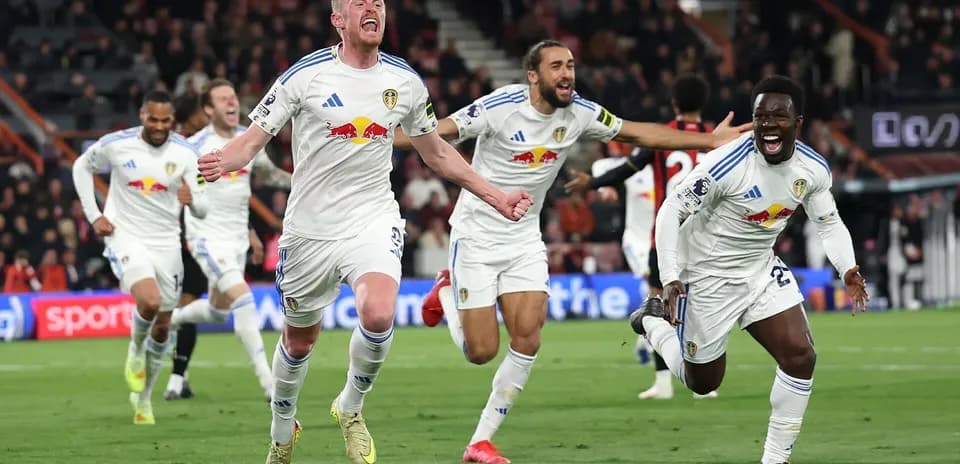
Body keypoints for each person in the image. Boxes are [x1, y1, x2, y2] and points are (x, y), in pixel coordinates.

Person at [196, 1, 533, 462]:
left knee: (377, 314)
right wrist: (226, 161)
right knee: (299, 342)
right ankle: (281, 432)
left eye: (378, 1)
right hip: (310, 230)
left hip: (372, 218)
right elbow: (253, 140)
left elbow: (436, 153)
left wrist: (495, 194)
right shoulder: (306, 75)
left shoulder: (404, 81)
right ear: (339, 20)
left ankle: (350, 408)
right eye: (360, 2)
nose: (373, 7)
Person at [403, 41, 749, 463]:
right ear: (533, 75)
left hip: (524, 238)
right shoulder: (500, 106)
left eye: (569, 65)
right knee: (481, 352)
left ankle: (480, 441)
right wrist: (378, 135)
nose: (566, 74)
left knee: (528, 338)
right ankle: (444, 292)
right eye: (555, 67)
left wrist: (708, 141)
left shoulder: (581, 112)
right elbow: (436, 132)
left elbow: (636, 131)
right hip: (475, 235)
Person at [629, 75, 869, 464]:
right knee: (703, 383)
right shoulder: (727, 164)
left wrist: (848, 267)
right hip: (707, 274)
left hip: (760, 269)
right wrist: (670, 277)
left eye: (778, 116)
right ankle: (654, 326)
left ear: (797, 122)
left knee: (800, 357)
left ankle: (775, 460)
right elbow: (671, 210)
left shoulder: (813, 168)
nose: (768, 124)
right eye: (760, 116)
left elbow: (827, 222)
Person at [565, 74, 719, 400]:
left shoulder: (663, 137)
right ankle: (705, 386)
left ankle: (663, 382)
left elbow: (628, 169)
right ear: (703, 104)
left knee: (659, 307)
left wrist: (591, 184)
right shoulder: (716, 138)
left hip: (666, 236)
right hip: (708, 238)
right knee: (703, 309)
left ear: (674, 103)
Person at [72, 90, 209, 425]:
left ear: (172, 119)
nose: (159, 126)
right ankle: (135, 350)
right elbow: (80, 166)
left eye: (166, 120)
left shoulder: (187, 152)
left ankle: (144, 398)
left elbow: (204, 208)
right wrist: (94, 216)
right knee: (148, 301)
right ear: (142, 115)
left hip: (167, 243)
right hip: (126, 236)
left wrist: (193, 200)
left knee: (163, 326)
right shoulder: (117, 144)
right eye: (153, 119)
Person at [167, 78, 291, 402]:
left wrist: (306, 181)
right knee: (244, 300)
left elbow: (269, 176)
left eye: (233, 96)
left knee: (217, 311)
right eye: (223, 99)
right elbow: (192, 197)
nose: (232, 103)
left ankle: (173, 318)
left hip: (236, 239)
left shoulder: (247, 141)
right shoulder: (193, 148)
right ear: (208, 109)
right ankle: (270, 384)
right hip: (206, 237)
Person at [164, 91, 210, 401]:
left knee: (179, 308)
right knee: (184, 308)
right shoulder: (184, 148)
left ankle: (180, 376)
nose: (206, 116)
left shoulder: (177, 146)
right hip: (182, 238)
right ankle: (179, 376)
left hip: (182, 237)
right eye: (202, 111)